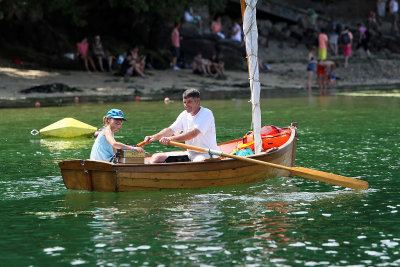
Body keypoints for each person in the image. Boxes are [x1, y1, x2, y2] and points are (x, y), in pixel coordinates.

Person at [144, 88, 218, 163]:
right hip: (190, 153)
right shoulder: (184, 114)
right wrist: (153, 137)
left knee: (197, 163)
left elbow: (193, 133)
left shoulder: (206, 113)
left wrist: (170, 139)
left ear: (197, 101)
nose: (186, 105)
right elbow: (170, 130)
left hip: (207, 154)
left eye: (189, 102)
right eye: (184, 102)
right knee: (156, 158)